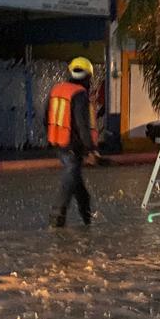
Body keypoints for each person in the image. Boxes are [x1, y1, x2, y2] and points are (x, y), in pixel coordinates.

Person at [46, 57, 98, 227]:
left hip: (57, 143)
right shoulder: (79, 94)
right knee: (70, 176)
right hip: (72, 146)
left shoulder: (57, 89)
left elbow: (45, 117)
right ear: (88, 76)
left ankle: (86, 213)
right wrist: (89, 148)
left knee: (76, 179)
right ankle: (57, 214)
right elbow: (82, 125)